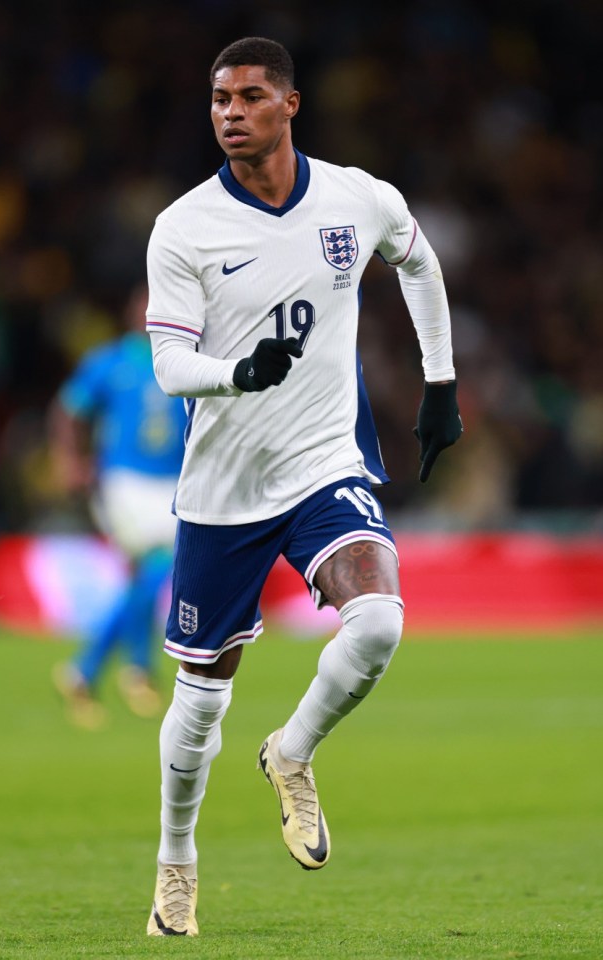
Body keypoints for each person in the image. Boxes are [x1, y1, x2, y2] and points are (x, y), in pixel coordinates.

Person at [143, 37, 462, 935]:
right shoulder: (185, 225)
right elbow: (169, 362)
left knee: (380, 622)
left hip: (325, 463)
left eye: (248, 96)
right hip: (225, 490)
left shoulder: (357, 198)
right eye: (217, 98)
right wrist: (237, 374)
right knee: (200, 703)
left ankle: (292, 752)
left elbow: (419, 261)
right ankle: (177, 865)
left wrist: (440, 383)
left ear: (290, 105)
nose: (229, 112)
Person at [50, 286, 187, 729]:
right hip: (124, 481)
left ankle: (111, 672)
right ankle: (112, 669)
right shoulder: (110, 362)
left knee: (144, 580)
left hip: (174, 483)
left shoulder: (188, 358)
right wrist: (70, 460)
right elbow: (69, 410)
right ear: (133, 311)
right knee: (157, 568)